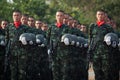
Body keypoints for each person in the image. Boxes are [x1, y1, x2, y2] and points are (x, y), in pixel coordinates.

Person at [47, 10, 88, 80]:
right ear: (55, 17)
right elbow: (48, 39)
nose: (59, 17)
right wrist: (48, 49)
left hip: (65, 56)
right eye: (58, 16)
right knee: (55, 75)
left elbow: (73, 41)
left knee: (65, 75)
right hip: (54, 55)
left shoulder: (68, 29)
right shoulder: (51, 28)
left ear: (64, 17)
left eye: (61, 16)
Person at [88, 9, 116, 80]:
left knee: (106, 72)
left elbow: (113, 40)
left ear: (104, 16)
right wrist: (90, 51)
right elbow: (90, 39)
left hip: (105, 54)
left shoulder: (108, 27)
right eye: (98, 14)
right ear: (96, 16)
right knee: (97, 72)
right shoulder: (92, 26)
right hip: (95, 53)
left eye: (101, 14)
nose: (100, 16)